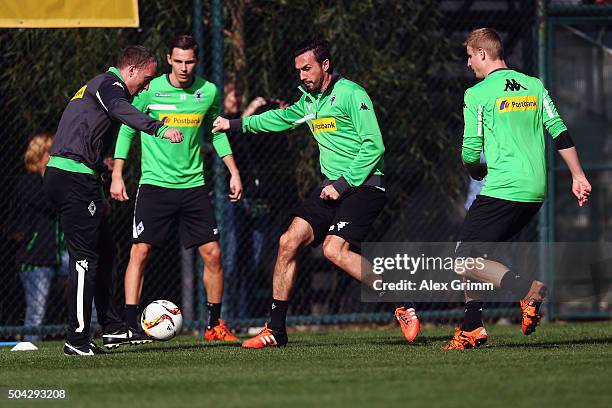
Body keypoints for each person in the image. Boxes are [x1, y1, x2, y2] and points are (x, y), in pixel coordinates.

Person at [213, 39, 420, 348]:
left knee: (334, 250)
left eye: (307, 68)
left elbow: (374, 146)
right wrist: (235, 123)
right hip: (330, 187)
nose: (302, 75)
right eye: (298, 70)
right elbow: (279, 119)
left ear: (325, 66)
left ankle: (401, 302)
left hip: (363, 186)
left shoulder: (352, 94)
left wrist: (344, 184)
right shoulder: (309, 101)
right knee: (288, 242)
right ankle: (275, 330)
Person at [444, 28, 591, 350]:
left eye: (470, 56)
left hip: (502, 188)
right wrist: (577, 176)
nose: (468, 64)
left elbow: (470, 151)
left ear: (483, 54)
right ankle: (472, 328)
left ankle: (528, 290)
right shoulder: (534, 86)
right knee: (475, 255)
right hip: (534, 192)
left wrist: (476, 170)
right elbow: (559, 131)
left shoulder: (478, 94)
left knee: (462, 259)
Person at [44, 45, 184, 356]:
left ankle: (112, 327)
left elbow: (88, 137)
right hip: (71, 178)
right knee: (84, 259)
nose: (147, 86)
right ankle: (77, 340)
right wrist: (157, 126)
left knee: (106, 250)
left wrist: (101, 180)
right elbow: (120, 109)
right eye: (146, 79)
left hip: (79, 177)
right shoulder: (111, 85)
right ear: (130, 70)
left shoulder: (101, 88)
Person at [111, 35, 242, 346]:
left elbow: (217, 132)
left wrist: (234, 172)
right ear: (169, 59)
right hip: (154, 185)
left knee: (213, 254)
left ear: (197, 61)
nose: (184, 67)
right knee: (140, 251)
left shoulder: (207, 91)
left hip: (193, 185)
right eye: (179, 61)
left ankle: (213, 325)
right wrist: (117, 173)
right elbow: (128, 128)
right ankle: (130, 327)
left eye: (190, 61)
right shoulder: (150, 89)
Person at [15, 133, 67, 342]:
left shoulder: (57, 179)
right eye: (50, 151)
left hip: (62, 252)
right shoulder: (28, 182)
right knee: (36, 310)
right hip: (35, 256)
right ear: (40, 155)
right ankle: (29, 346)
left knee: (85, 285)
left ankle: (91, 335)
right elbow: (52, 203)